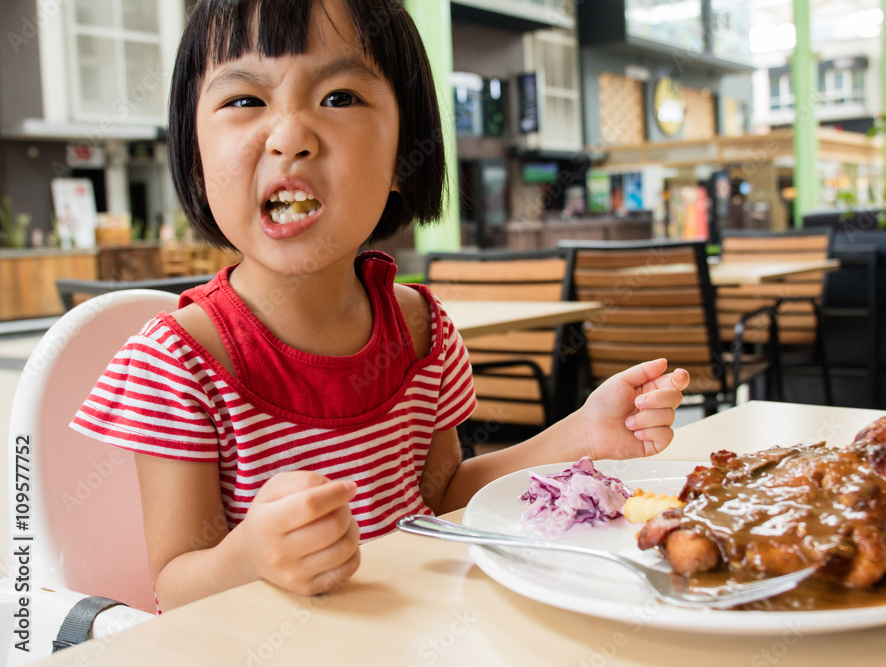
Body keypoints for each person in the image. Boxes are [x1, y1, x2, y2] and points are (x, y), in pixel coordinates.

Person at [71, 0, 690, 612]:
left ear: (403, 153)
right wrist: (252, 556)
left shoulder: (422, 331)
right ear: (195, 149)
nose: (289, 137)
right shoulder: (179, 362)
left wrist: (579, 433)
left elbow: (444, 494)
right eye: (244, 101)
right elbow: (175, 588)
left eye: (339, 98)